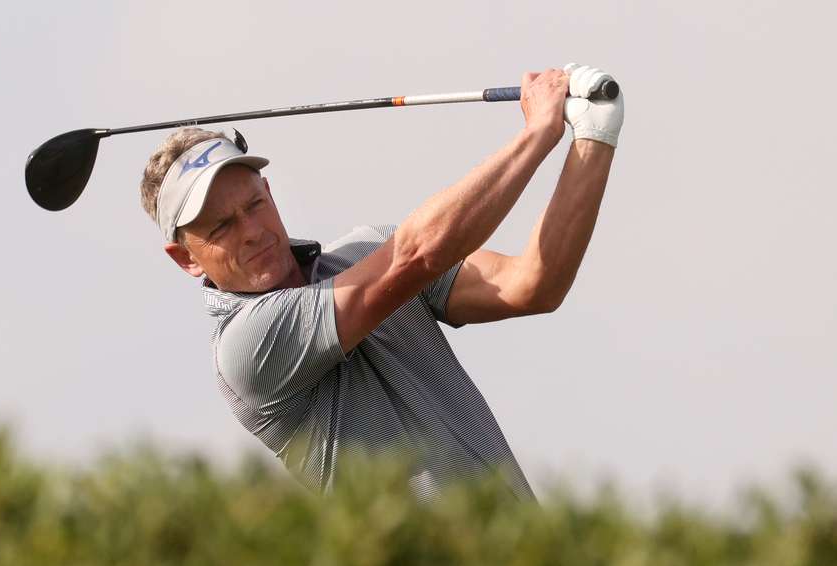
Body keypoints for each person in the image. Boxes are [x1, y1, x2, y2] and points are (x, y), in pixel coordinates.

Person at [139, 64, 623, 500]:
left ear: (269, 192)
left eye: (254, 206)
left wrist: (593, 137)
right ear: (186, 259)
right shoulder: (245, 348)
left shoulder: (366, 251)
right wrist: (537, 134)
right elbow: (415, 255)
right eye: (221, 227)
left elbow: (532, 283)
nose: (251, 233)